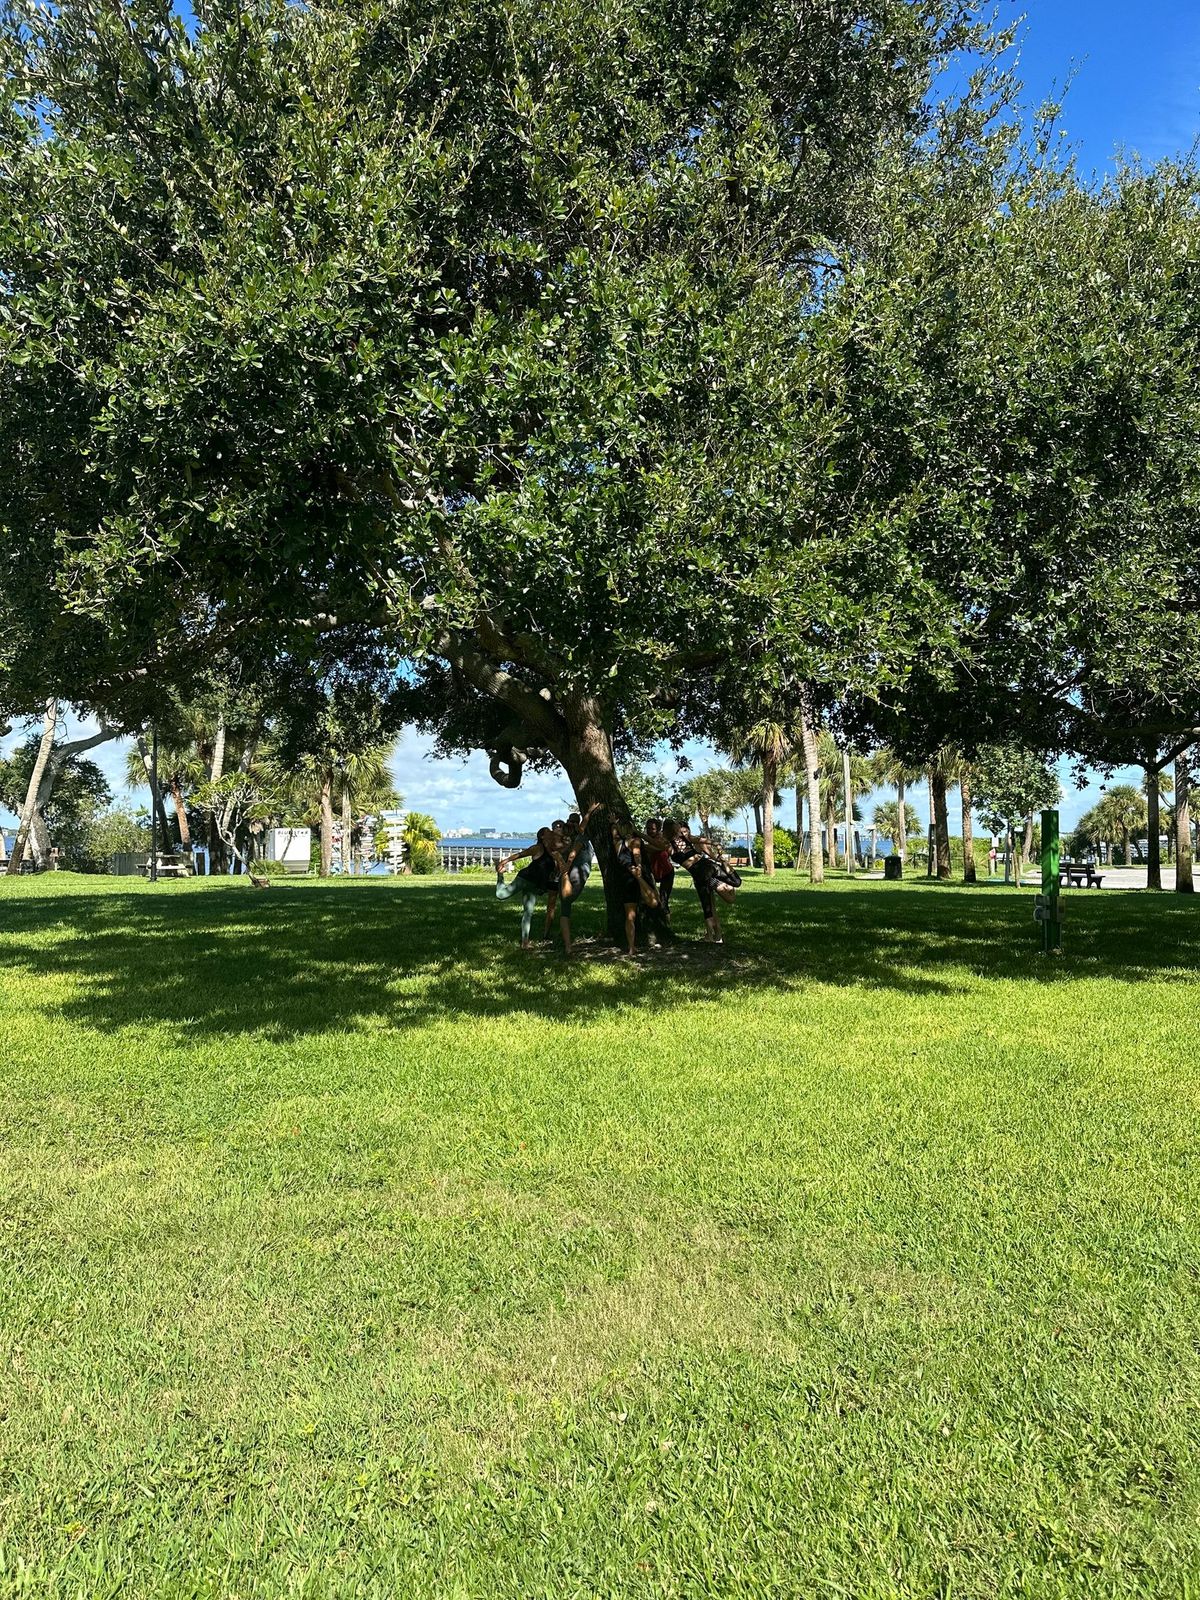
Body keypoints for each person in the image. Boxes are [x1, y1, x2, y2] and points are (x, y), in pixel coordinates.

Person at [496, 827, 563, 949]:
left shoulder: (553, 852)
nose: (551, 833)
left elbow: (552, 871)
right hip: (524, 878)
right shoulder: (537, 848)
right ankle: (500, 875)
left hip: (533, 885)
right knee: (501, 895)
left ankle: (525, 943)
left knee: (528, 912)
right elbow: (520, 855)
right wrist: (504, 861)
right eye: (548, 831)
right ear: (542, 836)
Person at [665, 818, 730, 943]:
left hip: (708, 873)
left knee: (721, 901)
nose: (683, 834)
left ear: (688, 831)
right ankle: (715, 936)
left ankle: (714, 935)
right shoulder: (674, 844)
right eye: (681, 832)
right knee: (709, 907)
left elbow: (711, 854)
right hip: (699, 878)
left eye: (685, 831)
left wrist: (719, 857)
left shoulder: (694, 842)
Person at [552, 803, 601, 956]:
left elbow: (583, 823)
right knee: (565, 904)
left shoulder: (580, 835)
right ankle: (567, 945)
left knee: (567, 901)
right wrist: (564, 866)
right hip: (568, 871)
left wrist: (590, 811)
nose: (573, 824)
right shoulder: (568, 839)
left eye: (575, 821)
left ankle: (566, 943)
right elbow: (569, 852)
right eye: (570, 821)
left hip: (574, 871)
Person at [643, 817, 676, 923]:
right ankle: (655, 921)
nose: (649, 831)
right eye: (648, 828)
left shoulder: (662, 840)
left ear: (657, 830)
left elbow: (662, 848)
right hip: (654, 875)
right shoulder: (648, 843)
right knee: (651, 900)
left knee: (663, 900)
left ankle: (667, 924)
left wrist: (647, 847)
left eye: (652, 829)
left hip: (667, 874)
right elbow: (651, 849)